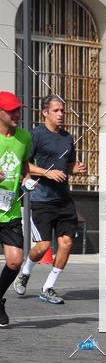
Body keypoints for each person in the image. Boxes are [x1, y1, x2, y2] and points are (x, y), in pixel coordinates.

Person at [14, 95, 86, 305]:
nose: (60, 114)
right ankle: (25, 272)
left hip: (64, 199)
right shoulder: (35, 135)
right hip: (42, 199)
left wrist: (75, 169)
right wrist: (47, 172)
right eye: (56, 110)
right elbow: (24, 164)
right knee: (43, 246)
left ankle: (48, 288)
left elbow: (68, 165)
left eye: (62, 110)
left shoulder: (67, 138)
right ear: (45, 112)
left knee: (66, 243)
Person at [0, 91, 32, 326]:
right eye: (11, 111)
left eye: (18, 110)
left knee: (14, 261)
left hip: (9, 209)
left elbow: (24, 164)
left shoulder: (24, 137)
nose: (17, 114)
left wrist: (27, 179)